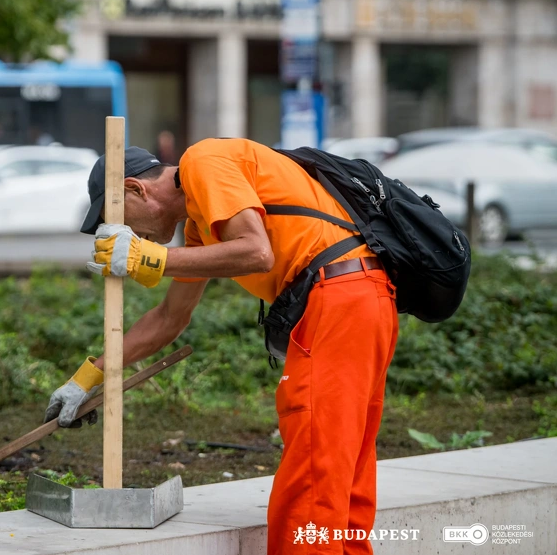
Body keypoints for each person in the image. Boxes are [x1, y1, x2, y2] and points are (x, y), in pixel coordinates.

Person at [44, 138, 398, 555]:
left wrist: (150, 257)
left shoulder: (203, 161)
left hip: (339, 297)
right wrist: (89, 377)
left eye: (116, 217)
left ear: (136, 189)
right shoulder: (200, 226)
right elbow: (168, 320)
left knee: (314, 471)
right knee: (342, 467)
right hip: (360, 298)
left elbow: (256, 252)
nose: (124, 232)